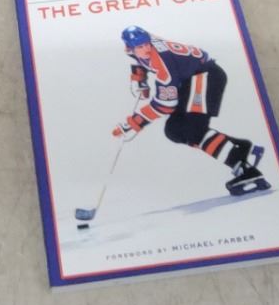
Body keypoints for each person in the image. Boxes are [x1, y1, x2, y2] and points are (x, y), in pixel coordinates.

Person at [110, 26, 268, 196]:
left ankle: (246, 169)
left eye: (147, 44)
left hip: (206, 76)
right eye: (140, 46)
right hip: (190, 80)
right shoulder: (141, 47)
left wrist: (135, 122)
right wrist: (139, 79)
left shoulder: (162, 64)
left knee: (193, 131)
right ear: (129, 47)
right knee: (175, 130)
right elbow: (138, 59)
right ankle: (243, 148)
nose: (146, 48)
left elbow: (165, 105)